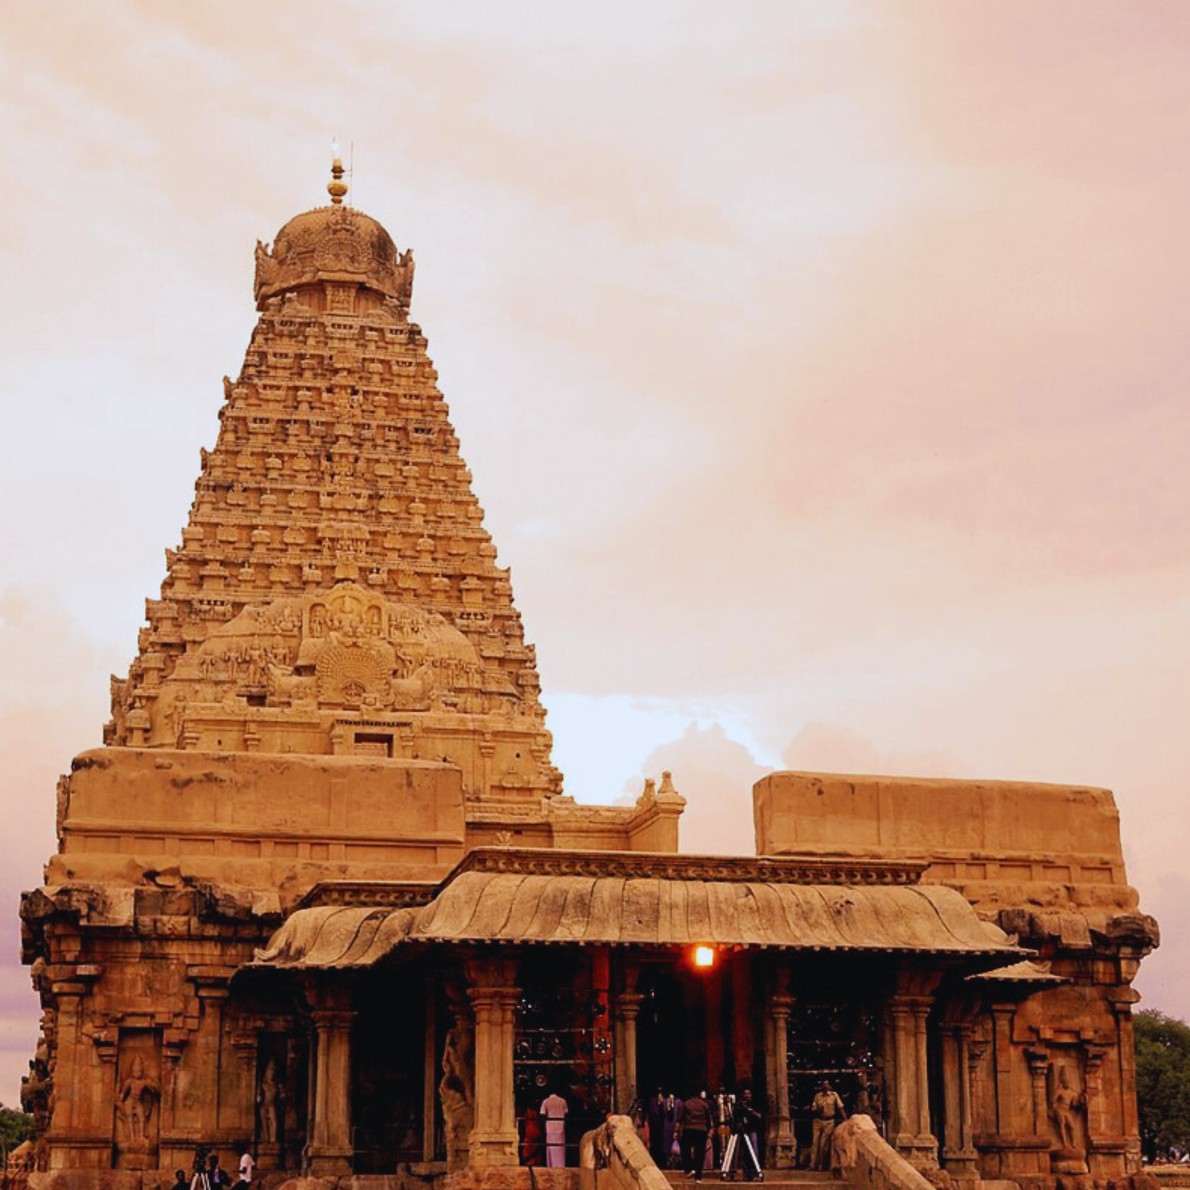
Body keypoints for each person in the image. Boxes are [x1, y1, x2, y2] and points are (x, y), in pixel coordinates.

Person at [809, 1080, 845, 1172]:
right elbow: (813, 1108)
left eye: (827, 1084)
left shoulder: (834, 1095)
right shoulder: (818, 1096)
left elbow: (840, 1107)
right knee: (815, 1143)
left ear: (829, 1086)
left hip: (829, 1121)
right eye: (823, 1084)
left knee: (823, 1144)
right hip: (818, 1120)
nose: (825, 1086)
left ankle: (821, 1165)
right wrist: (818, 1110)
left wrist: (845, 1118)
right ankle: (812, 1164)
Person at [677, 1090, 713, 1180]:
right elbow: (709, 1120)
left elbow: (680, 1120)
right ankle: (698, 1176)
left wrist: (676, 1131)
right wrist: (710, 1130)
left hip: (689, 1129)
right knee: (700, 1153)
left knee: (685, 1150)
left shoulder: (686, 1104)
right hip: (701, 1130)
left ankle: (689, 1168)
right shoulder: (704, 1105)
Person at [541, 1089, 568, 1168]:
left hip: (550, 1126)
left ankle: (551, 1165)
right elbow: (566, 1112)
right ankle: (560, 1165)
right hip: (560, 1126)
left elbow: (543, 1113)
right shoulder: (563, 1101)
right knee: (560, 1147)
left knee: (551, 1146)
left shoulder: (546, 1101)